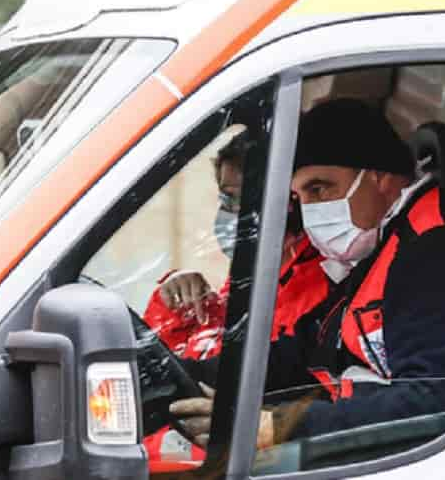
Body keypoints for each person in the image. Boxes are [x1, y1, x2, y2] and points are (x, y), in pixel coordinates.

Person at [171, 98, 445, 448]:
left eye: (320, 189)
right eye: (299, 196)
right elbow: (306, 351)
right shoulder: (383, 243)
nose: (309, 210)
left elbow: (435, 402)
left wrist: (279, 426)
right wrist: (184, 376)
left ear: (379, 177)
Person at [141, 131, 330, 464]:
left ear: (279, 203)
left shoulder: (314, 284)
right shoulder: (260, 265)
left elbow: (244, 367)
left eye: (233, 199)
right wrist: (174, 298)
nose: (225, 212)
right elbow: (215, 339)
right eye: (223, 199)